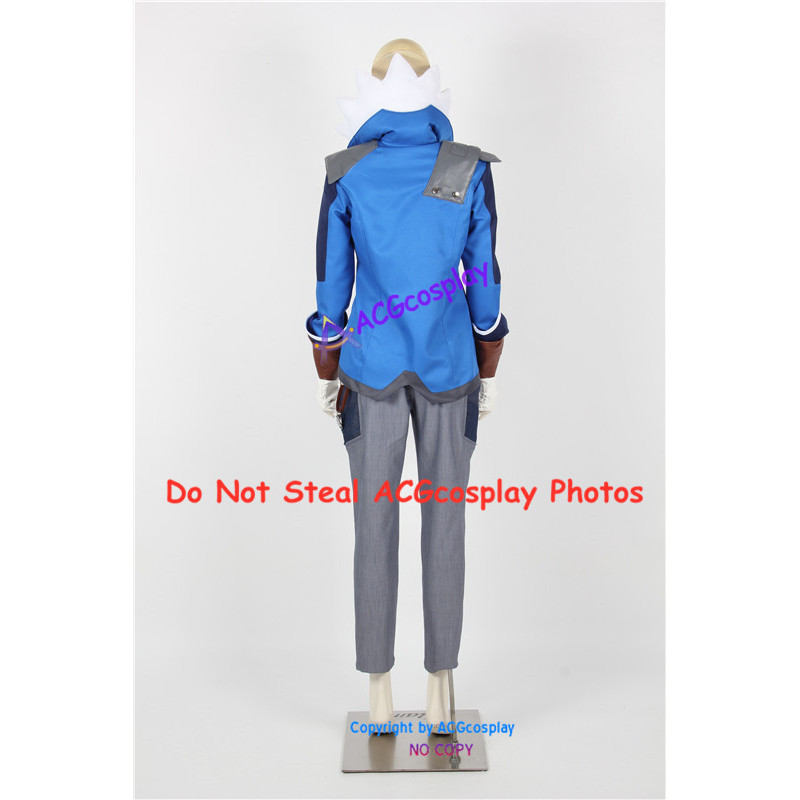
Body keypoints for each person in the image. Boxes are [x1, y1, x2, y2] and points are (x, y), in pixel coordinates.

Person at [305, 39, 509, 729]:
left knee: (373, 524)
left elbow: (331, 282)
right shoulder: (465, 168)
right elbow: (483, 275)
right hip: (451, 367)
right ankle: (443, 691)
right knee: (446, 523)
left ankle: (380, 697)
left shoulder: (346, 172)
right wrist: (489, 357)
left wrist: (327, 360)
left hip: (370, 368)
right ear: (433, 94)